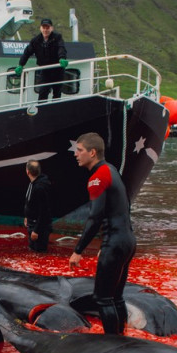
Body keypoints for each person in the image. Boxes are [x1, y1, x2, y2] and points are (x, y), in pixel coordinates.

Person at [69, 133, 136, 334]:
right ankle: (122, 338)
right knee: (116, 297)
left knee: (103, 299)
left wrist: (78, 250)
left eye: (79, 150)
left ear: (92, 152)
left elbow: (95, 218)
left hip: (115, 242)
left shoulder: (97, 178)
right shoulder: (112, 170)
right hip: (127, 240)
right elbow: (124, 206)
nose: (75, 154)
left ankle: (112, 345)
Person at [15, 18, 68, 101]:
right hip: (45, 70)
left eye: (48, 28)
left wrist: (62, 58)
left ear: (52, 28)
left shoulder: (57, 37)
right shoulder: (35, 41)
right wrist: (21, 65)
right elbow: (27, 52)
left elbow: (61, 48)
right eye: (44, 28)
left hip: (58, 69)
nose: (45, 30)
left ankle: (56, 110)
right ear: (40, 28)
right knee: (43, 92)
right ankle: (42, 110)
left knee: (57, 92)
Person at [23, 160, 52, 253]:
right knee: (32, 250)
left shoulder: (40, 187)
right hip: (32, 223)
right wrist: (27, 216)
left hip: (39, 227)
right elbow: (30, 202)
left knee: (39, 252)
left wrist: (36, 230)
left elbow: (44, 211)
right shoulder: (32, 183)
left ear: (27, 171)